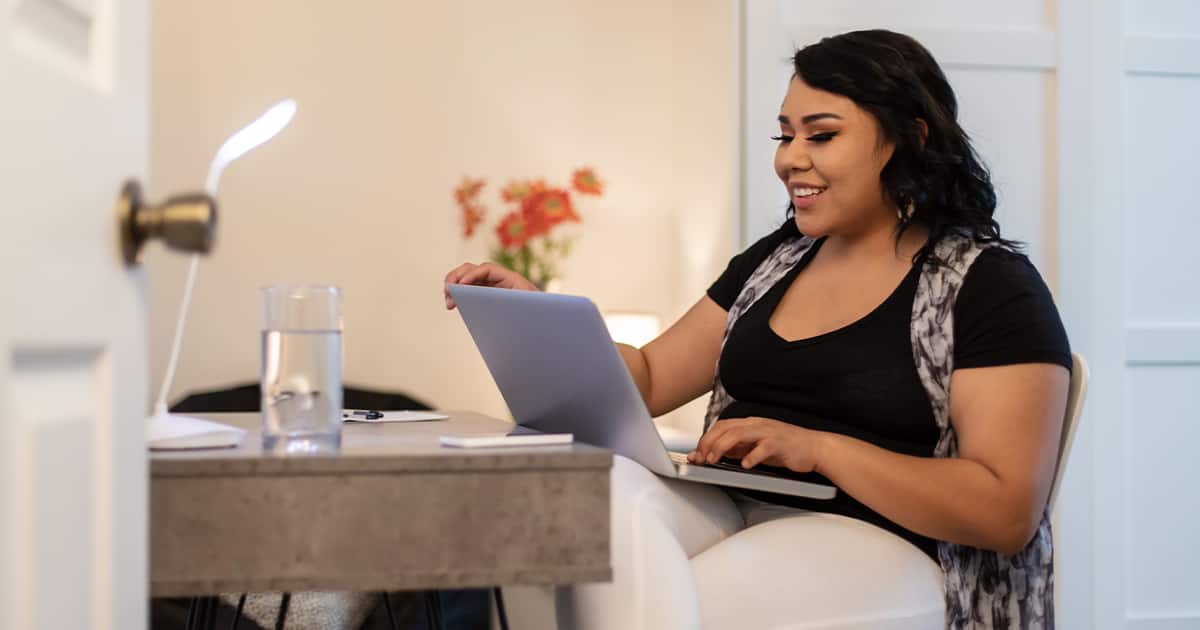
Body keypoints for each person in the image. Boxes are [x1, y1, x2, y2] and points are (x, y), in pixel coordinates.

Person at [444, 29, 1069, 630]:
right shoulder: (777, 260)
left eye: (821, 136)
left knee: (674, 604)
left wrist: (820, 449)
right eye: (785, 135)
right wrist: (546, 319)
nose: (791, 159)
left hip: (882, 544)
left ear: (908, 140)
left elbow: (1004, 507)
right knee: (589, 500)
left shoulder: (989, 286)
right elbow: (654, 377)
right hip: (733, 508)